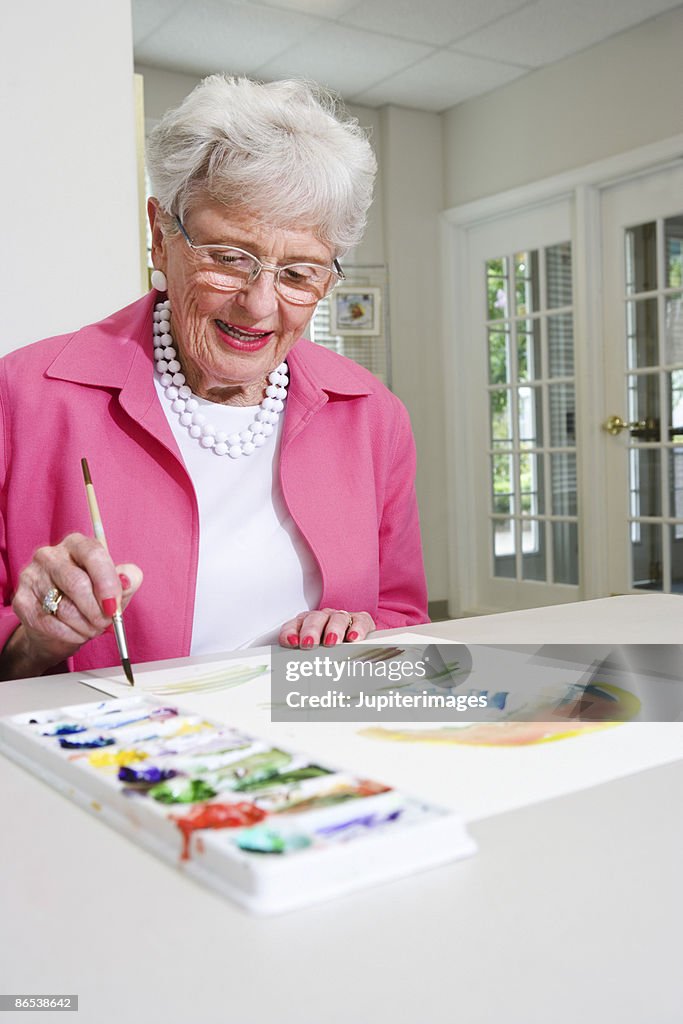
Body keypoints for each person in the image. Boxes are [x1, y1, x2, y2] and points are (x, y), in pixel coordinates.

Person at [0, 74, 428, 680]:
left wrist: (358, 633)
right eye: (229, 259)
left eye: (299, 274)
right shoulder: (24, 396)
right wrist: (38, 640)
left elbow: (401, 616)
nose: (259, 305)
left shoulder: (373, 416)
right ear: (159, 236)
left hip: (316, 740)